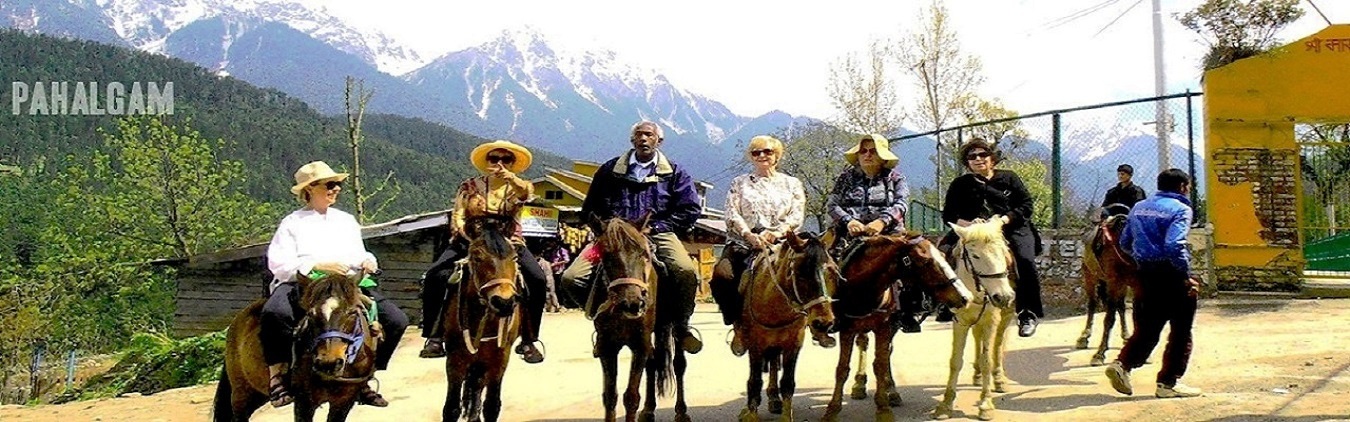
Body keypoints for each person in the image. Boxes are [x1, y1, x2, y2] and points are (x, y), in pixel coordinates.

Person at [263, 161, 409, 408]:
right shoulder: (292, 222)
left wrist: (367, 260)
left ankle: (366, 377)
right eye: (330, 185)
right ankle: (277, 375)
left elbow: (359, 252)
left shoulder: (346, 220)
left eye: (337, 185)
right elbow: (279, 263)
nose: (336, 189)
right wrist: (319, 265)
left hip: (345, 285)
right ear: (309, 190)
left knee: (396, 320)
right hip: (307, 284)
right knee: (273, 313)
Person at [560, 121, 704, 354]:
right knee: (571, 277)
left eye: (649, 135)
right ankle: (600, 317)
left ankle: (682, 324)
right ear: (632, 140)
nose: (644, 139)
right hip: (615, 237)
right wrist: (608, 230)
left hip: (657, 232)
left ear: (659, 141)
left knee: (685, 270)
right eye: (639, 135)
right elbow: (590, 209)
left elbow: (689, 210)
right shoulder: (609, 170)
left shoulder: (675, 172)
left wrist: (657, 225)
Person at [417, 141, 549, 364]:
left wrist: (510, 178)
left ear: (513, 164)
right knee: (435, 276)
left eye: (505, 159)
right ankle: (434, 334)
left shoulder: (518, 185)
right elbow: (458, 215)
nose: (498, 163)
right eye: (493, 158)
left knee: (536, 279)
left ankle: (529, 338)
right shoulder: (469, 186)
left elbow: (526, 194)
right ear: (486, 162)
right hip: (470, 239)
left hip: (508, 242)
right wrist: (468, 237)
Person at [1105, 169, 1204, 399]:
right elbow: (1174, 245)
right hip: (1170, 274)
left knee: (1148, 327)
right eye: (1187, 186)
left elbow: (1125, 242)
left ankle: (1122, 364)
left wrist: (1142, 259)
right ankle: (1167, 383)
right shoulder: (1181, 209)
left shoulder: (1140, 207)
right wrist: (1184, 275)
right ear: (1182, 187)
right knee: (1181, 331)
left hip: (1145, 274)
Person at [709, 135, 807, 356]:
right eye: (756, 153)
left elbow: (796, 215)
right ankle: (737, 325)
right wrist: (748, 234)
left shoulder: (792, 184)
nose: (762, 156)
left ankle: (813, 320)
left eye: (767, 152)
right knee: (722, 276)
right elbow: (731, 212)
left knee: (810, 271)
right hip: (743, 242)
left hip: (781, 242)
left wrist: (776, 233)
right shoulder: (739, 182)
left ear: (777, 155)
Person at [940, 139, 1044, 337]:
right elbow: (949, 215)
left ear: (992, 158)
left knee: (1024, 261)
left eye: (983, 155)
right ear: (967, 162)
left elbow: (1026, 205)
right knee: (943, 255)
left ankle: (1027, 313)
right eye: (972, 157)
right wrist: (968, 225)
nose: (978, 159)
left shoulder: (1009, 178)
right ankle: (948, 303)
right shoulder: (960, 184)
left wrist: (1003, 220)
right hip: (973, 230)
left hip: (1010, 228)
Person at [822, 134, 919, 335]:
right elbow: (832, 205)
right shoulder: (845, 178)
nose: (867, 155)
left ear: (882, 156)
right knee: (827, 265)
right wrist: (849, 221)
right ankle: (833, 312)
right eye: (863, 151)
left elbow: (901, 204)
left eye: (872, 151)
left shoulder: (896, 178)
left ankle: (908, 311)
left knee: (916, 259)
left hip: (888, 232)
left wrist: (881, 222)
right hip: (849, 232)